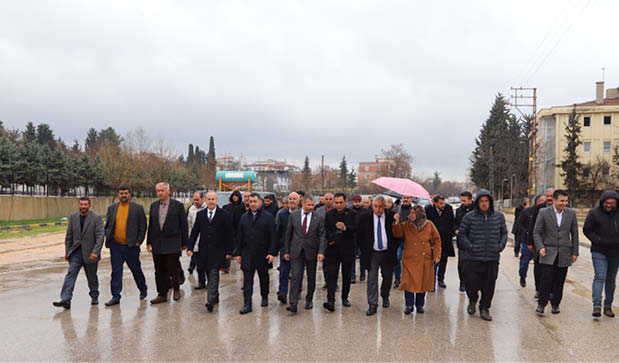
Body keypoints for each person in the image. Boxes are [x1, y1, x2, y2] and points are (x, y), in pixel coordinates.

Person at [458, 189, 507, 321]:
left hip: (492, 257)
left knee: (489, 285)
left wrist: (500, 246)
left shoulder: (499, 217)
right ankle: (473, 299)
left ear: (490, 202)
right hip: (474, 257)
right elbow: (462, 234)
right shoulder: (469, 217)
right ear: (477, 202)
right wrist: (470, 246)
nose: (484, 204)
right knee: (470, 283)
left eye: (486, 201)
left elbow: (504, 233)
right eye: (481, 201)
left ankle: (484, 308)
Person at [533, 189, 579, 315]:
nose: (564, 203)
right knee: (546, 279)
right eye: (561, 201)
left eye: (566, 201)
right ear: (554, 200)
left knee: (560, 280)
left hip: (564, 252)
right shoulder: (543, 212)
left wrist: (575, 252)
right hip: (548, 251)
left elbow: (574, 234)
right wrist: (540, 246)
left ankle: (556, 304)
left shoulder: (571, 214)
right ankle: (541, 304)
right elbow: (536, 232)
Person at [186, 191, 234, 312]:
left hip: (218, 251)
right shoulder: (201, 215)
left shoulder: (224, 214)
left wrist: (229, 251)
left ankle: (210, 300)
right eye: (209, 199)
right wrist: (190, 248)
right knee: (208, 272)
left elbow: (229, 234)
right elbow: (195, 232)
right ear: (205, 201)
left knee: (213, 273)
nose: (211, 201)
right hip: (204, 250)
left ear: (217, 201)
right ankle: (215, 295)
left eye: (213, 199)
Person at [53, 197, 104, 310]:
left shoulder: (96, 218)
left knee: (91, 277)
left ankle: (94, 296)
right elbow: (69, 236)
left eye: (85, 204)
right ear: (78, 205)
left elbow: (100, 237)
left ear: (89, 205)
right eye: (81, 204)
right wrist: (67, 251)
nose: (83, 207)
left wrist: (95, 252)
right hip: (75, 253)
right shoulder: (73, 217)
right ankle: (66, 299)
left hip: (90, 254)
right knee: (70, 275)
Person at [103, 186, 148, 307]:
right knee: (116, 272)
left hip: (131, 246)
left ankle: (143, 289)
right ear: (118, 194)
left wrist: (139, 241)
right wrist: (108, 236)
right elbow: (108, 224)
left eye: (126, 193)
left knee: (136, 270)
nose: (123, 195)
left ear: (130, 194)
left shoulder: (137, 208)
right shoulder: (112, 208)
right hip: (116, 246)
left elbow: (143, 226)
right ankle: (116, 296)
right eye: (121, 193)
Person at [393, 205, 441, 314]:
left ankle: (420, 305)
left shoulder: (429, 225)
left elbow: (437, 240)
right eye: (410, 213)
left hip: (425, 258)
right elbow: (397, 234)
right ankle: (409, 305)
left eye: (413, 213)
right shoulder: (406, 225)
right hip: (410, 258)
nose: (411, 215)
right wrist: (396, 222)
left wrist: (437, 255)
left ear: (419, 214)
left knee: (422, 283)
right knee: (408, 283)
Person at [235, 193, 278, 314]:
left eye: (255, 201)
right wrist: (238, 253)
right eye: (250, 201)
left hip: (263, 254)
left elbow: (273, 237)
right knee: (247, 280)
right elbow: (239, 237)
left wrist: (272, 253)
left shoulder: (268, 217)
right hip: (247, 254)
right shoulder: (244, 217)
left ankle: (264, 296)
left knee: (263, 277)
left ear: (260, 202)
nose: (252, 204)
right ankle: (247, 304)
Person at [282, 194, 326, 313]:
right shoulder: (294, 216)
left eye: (313, 205)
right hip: (296, 251)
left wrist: (321, 251)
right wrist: (286, 251)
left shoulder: (318, 217)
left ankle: (309, 299)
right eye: (309, 205)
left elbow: (322, 235)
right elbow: (288, 234)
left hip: (312, 251)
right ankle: (293, 303)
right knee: (296, 276)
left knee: (311, 277)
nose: (311, 207)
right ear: (303, 204)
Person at [147, 182, 188, 304]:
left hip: (173, 242)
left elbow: (184, 225)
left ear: (168, 191)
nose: (160, 193)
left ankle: (176, 289)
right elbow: (152, 225)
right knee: (159, 269)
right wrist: (149, 242)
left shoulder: (178, 206)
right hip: (157, 242)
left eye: (162, 191)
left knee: (173, 268)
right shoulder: (153, 206)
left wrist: (184, 242)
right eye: (158, 191)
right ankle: (162, 294)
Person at [358, 196, 399, 316]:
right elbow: (359, 236)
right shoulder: (365, 218)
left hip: (387, 253)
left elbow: (397, 236)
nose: (378, 209)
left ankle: (385, 295)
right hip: (372, 253)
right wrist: (364, 250)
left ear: (384, 206)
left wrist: (397, 223)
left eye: (380, 206)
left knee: (387, 278)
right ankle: (372, 304)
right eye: (375, 206)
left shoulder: (392, 217)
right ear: (372, 206)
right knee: (372, 279)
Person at [583, 190, 619, 318]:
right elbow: (586, 229)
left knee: (611, 280)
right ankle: (597, 305)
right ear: (602, 202)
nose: (609, 205)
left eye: (613, 203)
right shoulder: (594, 213)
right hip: (599, 250)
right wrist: (597, 240)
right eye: (607, 203)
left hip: (616, 252)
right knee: (600, 277)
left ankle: (608, 306)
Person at [323, 193, 357, 311]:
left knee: (346, 275)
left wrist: (345, 228)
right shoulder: (329, 215)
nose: (338, 205)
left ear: (345, 202)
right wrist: (333, 238)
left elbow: (356, 229)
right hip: (333, 249)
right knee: (332, 275)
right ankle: (330, 300)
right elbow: (326, 230)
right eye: (336, 203)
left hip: (347, 249)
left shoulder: (352, 214)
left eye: (340, 202)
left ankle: (344, 297)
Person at [512, 194, 546, 288]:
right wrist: (525, 232)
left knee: (539, 266)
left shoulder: (548, 212)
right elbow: (518, 224)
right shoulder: (527, 211)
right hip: (527, 241)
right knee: (524, 262)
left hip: (541, 242)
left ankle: (539, 288)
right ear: (536, 202)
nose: (544, 203)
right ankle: (522, 276)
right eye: (541, 201)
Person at [527, 188, 555, 298]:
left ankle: (551, 290)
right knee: (538, 267)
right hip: (539, 243)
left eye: (551, 196)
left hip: (553, 244)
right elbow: (532, 226)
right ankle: (538, 289)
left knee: (551, 268)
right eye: (547, 196)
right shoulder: (538, 209)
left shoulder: (561, 210)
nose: (549, 198)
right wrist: (530, 242)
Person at [274, 192, 301, 304]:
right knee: (284, 272)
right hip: (285, 248)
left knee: (297, 273)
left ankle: (296, 293)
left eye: (294, 199)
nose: (292, 201)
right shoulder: (281, 214)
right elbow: (278, 232)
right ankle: (283, 293)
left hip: (299, 249)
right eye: (290, 198)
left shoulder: (302, 214)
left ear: (299, 201)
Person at [425, 195, 455, 289]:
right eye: (440, 203)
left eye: (444, 203)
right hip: (432, 240)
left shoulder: (449, 208)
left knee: (443, 260)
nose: (443, 205)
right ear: (434, 203)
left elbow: (452, 222)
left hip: (445, 239)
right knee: (433, 261)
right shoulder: (428, 209)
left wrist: (452, 232)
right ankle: (431, 281)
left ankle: (441, 279)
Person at [454, 191, 474, 292]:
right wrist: (456, 230)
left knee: (473, 263)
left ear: (470, 200)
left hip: (474, 241)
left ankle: (473, 282)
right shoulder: (458, 211)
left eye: (464, 200)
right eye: (461, 200)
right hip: (461, 241)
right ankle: (462, 282)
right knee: (462, 263)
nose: (462, 202)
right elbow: (455, 223)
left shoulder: (476, 210)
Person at [187, 191, 207, 288]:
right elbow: (190, 225)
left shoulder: (208, 208)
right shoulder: (191, 209)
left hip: (207, 240)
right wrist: (190, 239)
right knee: (199, 265)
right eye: (194, 199)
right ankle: (201, 282)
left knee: (207, 264)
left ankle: (210, 283)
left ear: (203, 199)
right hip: (196, 240)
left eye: (197, 199)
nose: (195, 201)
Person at [393, 195, 413, 288]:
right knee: (396, 258)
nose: (405, 199)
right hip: (398, 239)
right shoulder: (396, 209)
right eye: (404, 197)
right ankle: (397, 278)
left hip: (410, 240)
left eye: (408, 198)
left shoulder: (414, 210)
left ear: (411, 199)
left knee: (409, 261)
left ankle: (408, 279)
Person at [315, 192, 335, 289]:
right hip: (322, 239)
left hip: (334, 240)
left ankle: (334, 282)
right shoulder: (318, 211)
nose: (328, 201)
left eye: (330, 199)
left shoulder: (337, 210)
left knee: (334, 263)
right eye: (326, 199)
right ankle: (327, 281)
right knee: (325, 263)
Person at [350, 194, 368, 282]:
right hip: (352, 237)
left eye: (358, 201)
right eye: (355, 202)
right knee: (352, 257)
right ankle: (352, 275)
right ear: (353, 202)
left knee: (362, 257)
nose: (357, 203)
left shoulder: (365, 211)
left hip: (363, 237)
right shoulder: (349, 211)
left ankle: (362, 273)